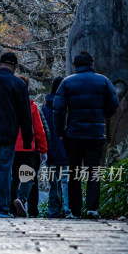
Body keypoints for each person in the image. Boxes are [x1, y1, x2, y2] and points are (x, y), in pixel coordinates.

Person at [53, 51, 119, 219]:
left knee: (74, 173)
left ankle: (75, 211)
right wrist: (100, 115)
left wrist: (60, 131)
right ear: (92, 64)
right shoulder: (103, 81)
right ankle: (92, 209)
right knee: (94, 171)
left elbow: (59, 109)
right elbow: (113, 105)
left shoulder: (67, 82)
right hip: (96, 134)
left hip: (73, 134)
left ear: (75, 66)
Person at [0, 52, 33, 218]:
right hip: (8, 134)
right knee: (4, 169)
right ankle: (3, 208)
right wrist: (27, 138)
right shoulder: (18, 84)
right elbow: (25, 113)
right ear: (15, 67)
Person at [12, 75, 47, 217]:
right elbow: (39, 130)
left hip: (11, 147)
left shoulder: (8, 105)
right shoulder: (31, 106)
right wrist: (43, 150)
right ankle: (21, 199)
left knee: (13, 178)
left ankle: (10, 209)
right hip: (28, 147)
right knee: (28, 177)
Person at [42, 76, 70, 218]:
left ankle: (53, 210)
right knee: (66, 181)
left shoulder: (45, 106)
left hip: (51, 150)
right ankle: (68, 209)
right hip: (66, 149)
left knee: (53, 183)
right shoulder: (68, 105)